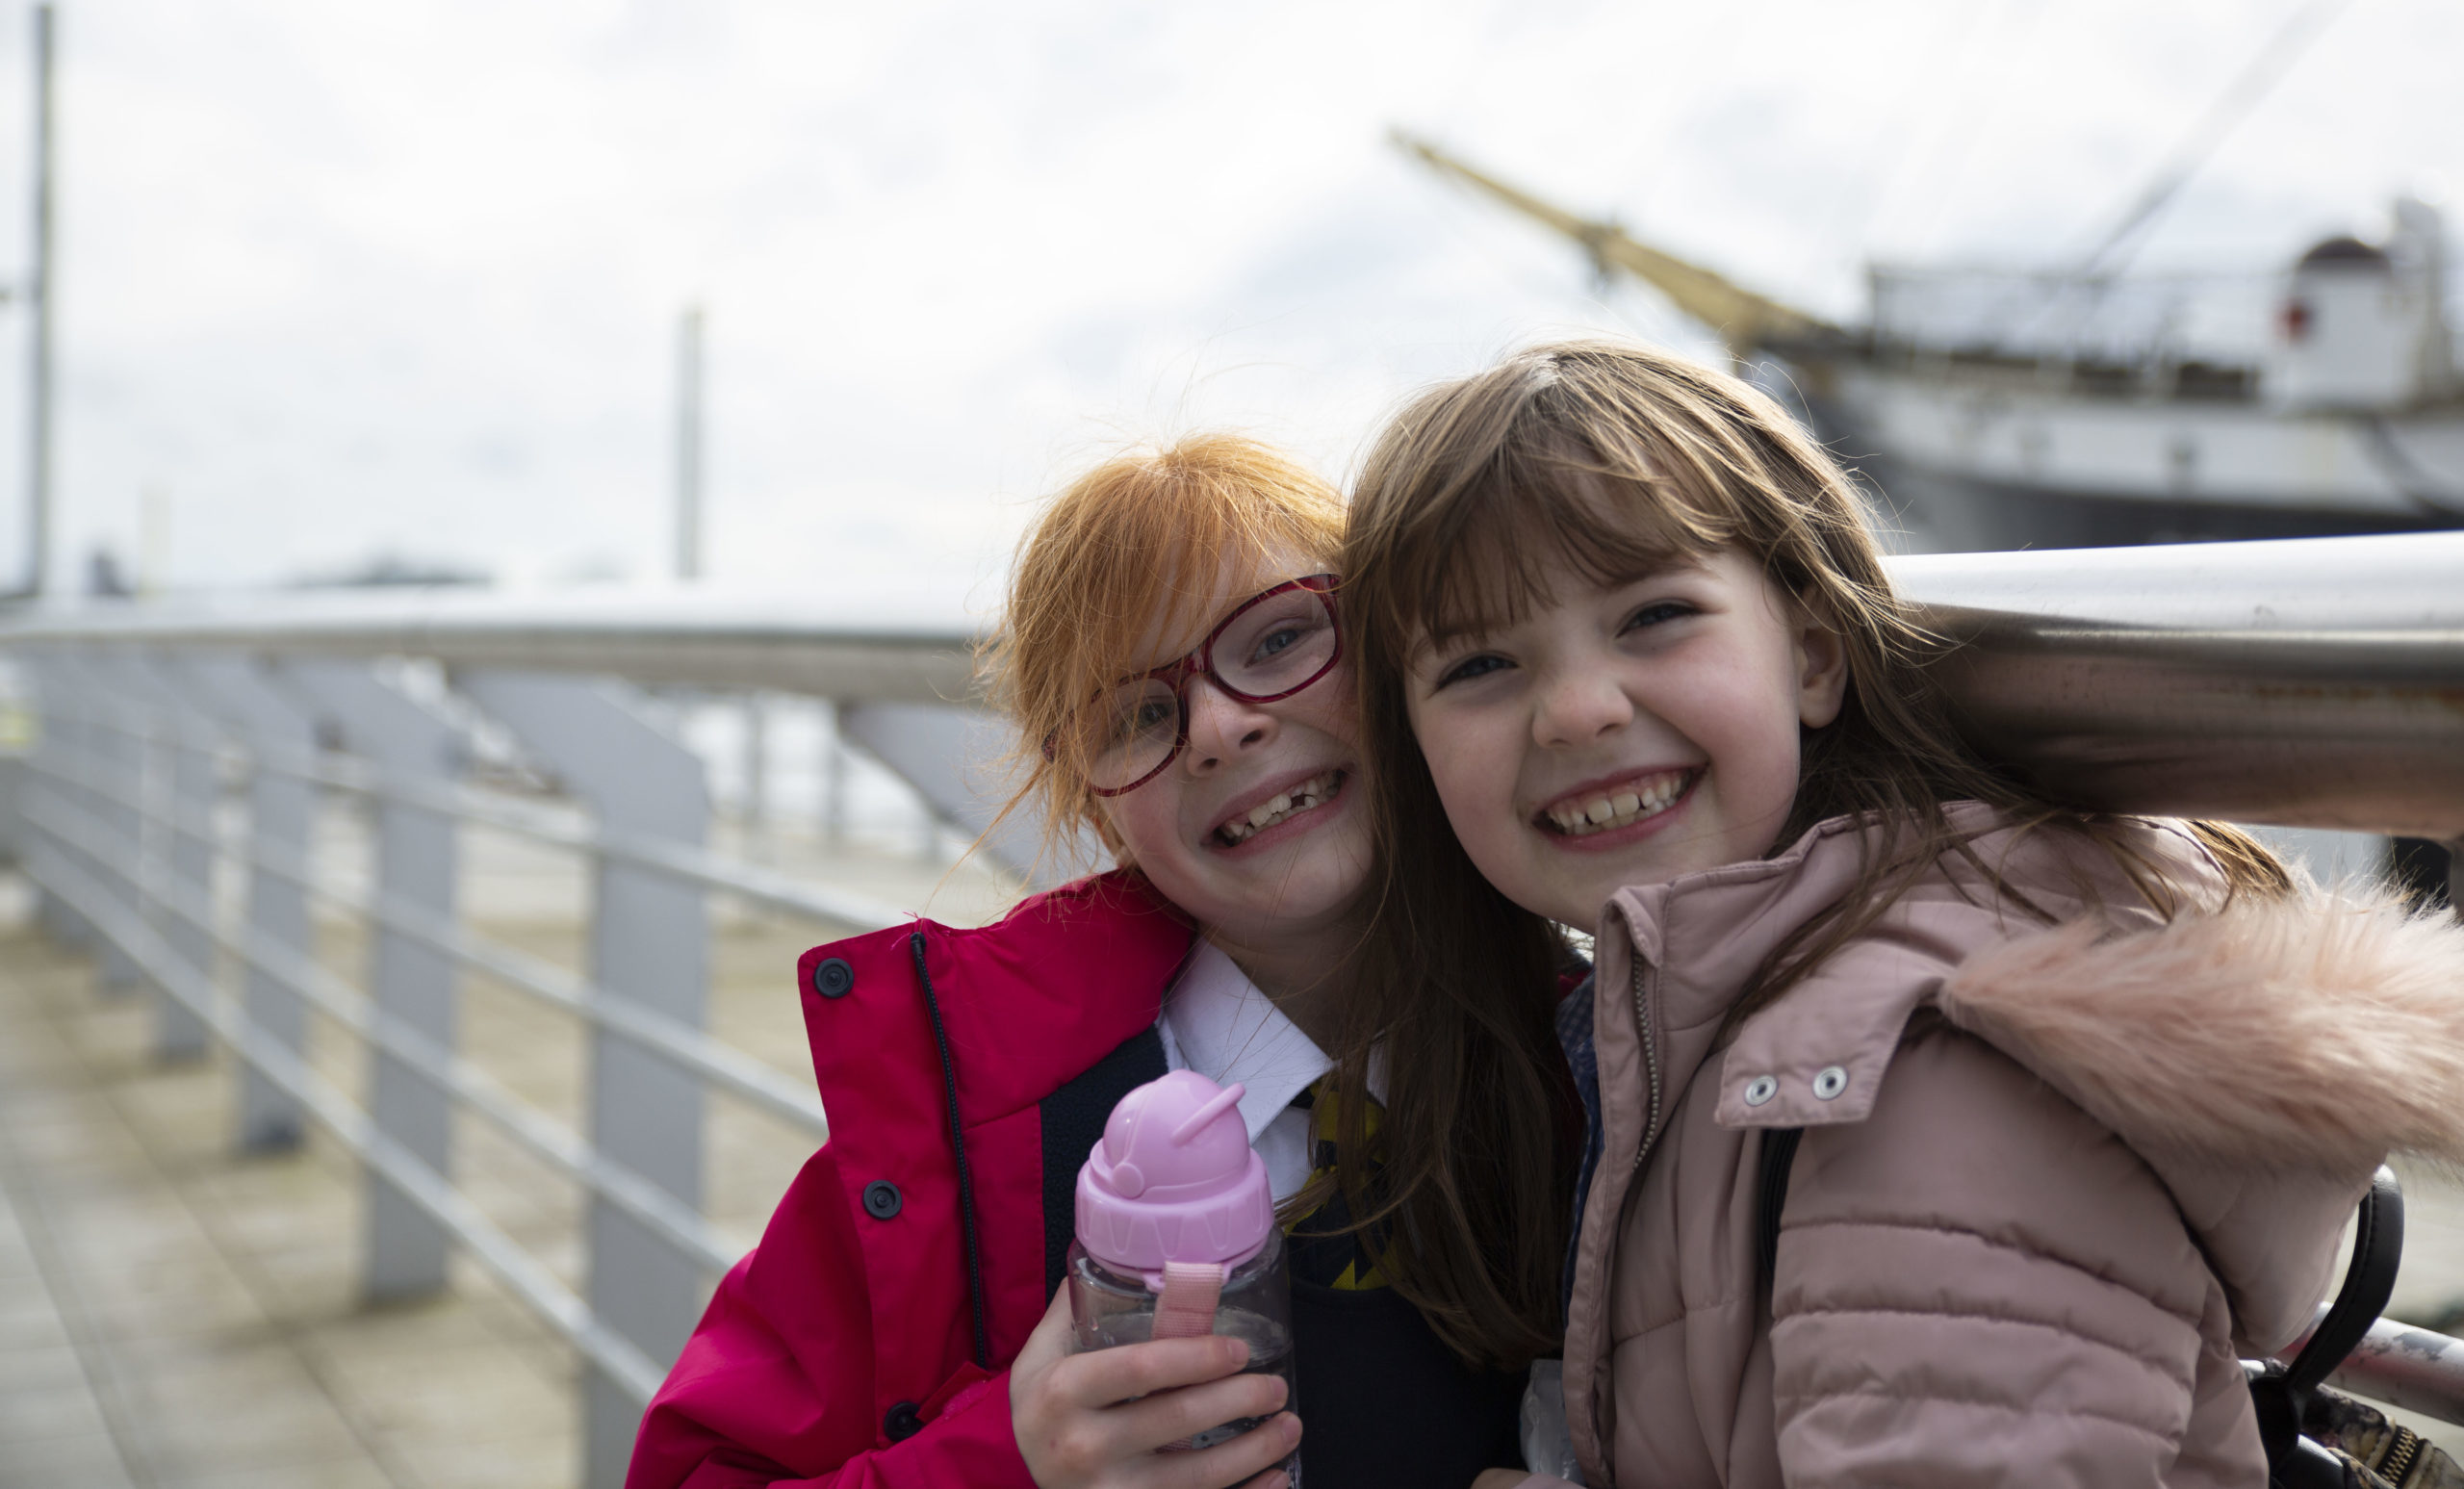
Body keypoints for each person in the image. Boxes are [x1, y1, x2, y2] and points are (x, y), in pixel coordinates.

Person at [1329, 339, 2464, 1488]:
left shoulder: (1908, 1081)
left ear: (1814, 655)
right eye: (1479, 665)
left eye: (1653, 615)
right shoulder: (1716, 1018)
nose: (1575, 709)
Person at [626, 433, 1546, 1489]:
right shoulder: (971, 1129)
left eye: (1282, 637)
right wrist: (1006, 1461)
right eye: (1138, 716)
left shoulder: (1611, 1048)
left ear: (1394, 655)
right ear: (1100, 813)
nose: (1217, 727)